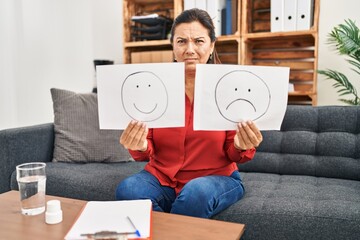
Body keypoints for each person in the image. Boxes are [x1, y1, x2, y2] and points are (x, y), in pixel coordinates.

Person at [115, 8, 263, 219]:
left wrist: (241, 144)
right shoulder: (155, 89)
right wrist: (139, 145)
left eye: (199, 41)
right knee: (128, 189)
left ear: (211, 46)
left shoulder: (231, 90)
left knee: (196, 192)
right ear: (173, 47)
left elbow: (235, 154)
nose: (189, 49)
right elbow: (145, 152)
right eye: (182, 41)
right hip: (162, 177)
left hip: (215, 178)